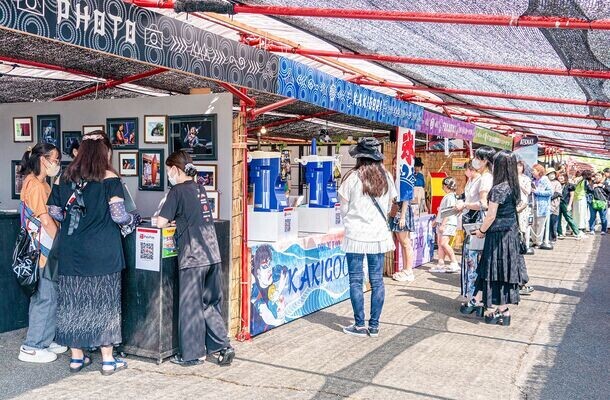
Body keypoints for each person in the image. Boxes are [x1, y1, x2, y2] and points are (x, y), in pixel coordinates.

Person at [48, 131, 139, 375]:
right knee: (104, 302)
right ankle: (108, 360)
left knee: (73, 302)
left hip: (72, 250)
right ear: (103, 153)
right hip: (102, 251)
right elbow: (119, 215)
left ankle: (77, 358)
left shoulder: (63, 177)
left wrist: (74, 220)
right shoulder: (109, 177)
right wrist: (134, 219)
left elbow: (55, 212)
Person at [156, 151, 234, 366]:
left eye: (167, 169)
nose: (167, 174)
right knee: (209, 304)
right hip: (212, 254)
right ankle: (223, 345)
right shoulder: (199, 188)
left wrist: (169, 222)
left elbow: (160, 222)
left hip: (192, 256)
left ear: (174, 169)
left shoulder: (177, 191)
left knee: (190, 306)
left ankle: (192, 355)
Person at [338, 137, 397, 338]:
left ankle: (359, 324)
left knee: (356, 280)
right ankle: (374, 325)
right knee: (377, 280)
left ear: (359, 157)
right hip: (378, 235)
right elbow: (390, 207)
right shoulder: (386, 177)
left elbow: (343, 209)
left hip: (355, 234)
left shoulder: (352, 177)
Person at [17, 143, 68, 363]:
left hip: (45, 248)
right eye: (55, 159)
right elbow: (45, 219)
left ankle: (45, 339)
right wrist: (60, 241)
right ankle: (32, 345)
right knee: (44, 296)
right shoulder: (35, 186)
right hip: (42, 249)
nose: (57, 164)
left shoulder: (41, 183)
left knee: (50, 295)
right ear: (42, 160)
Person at [472, 150, 528, 326]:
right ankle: (502, 310)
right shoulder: (513, 186)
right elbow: (520, 206)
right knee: (504, 272)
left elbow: (490, 216)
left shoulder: (498, 189)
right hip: (510, 235)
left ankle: (494, 307)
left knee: (493, 269)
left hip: (496, 236)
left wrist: (481, 231)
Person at [456, 146, 495, 313]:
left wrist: (465, 204)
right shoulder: (484, 177)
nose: (474, 161)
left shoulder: (485, 178)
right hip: (476, 223)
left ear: (484, 160)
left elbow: (483, 204)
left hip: (477, 225)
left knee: (473, 260)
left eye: (477, 158)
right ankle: (476, 298)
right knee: (474, 260)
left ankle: (475, 299)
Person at [389, 158, 415, 283]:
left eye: (396, 164)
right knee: (401, 241)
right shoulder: (396, 178)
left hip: (402, 211)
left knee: (405, 242)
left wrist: (403, 215)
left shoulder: (404, 178)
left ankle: (409, 270)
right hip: (396, 211)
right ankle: (405, 269)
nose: (394, 166)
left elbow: (406, 198)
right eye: (393, 164)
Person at [430, 177, 460, 273]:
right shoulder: (449, 196)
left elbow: (448, 212)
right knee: (440, 244)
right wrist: (436, 221)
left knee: (443, 243)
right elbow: (443, 212)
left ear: (446, 186)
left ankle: (454, 262)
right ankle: (441, 263)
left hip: (448, 223)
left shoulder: (450, 197)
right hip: (443, 222)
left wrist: (443, 224)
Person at [531, 164, 553, 250]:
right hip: (533, 205)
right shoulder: (533, 181)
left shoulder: (545, 180)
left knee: (540, 224)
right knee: (532, 223)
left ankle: (538, 242)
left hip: (542, 206)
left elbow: (550, 192)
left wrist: (537, 192)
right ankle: (533, 241)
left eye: (534, 170)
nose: (532, 172)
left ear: (539, 171)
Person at [556, 173, 584, 240]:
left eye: (562, 176)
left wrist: (569, 205)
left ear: (565, 177)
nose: (561, 178)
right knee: (558, 218)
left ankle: (577, 233)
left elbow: (572, 196)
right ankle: (560, 233)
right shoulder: (557, 184)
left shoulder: (570, 185)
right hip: (557, 203)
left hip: (565, 203)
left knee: (569, 218)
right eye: (559, 176)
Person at [516, 161, 534, 255]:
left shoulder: (526, 178)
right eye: (517, 166)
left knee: (523, 225)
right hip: (514, 203)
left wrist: (520, 185)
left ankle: (523, 245)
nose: (518, 168)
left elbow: (528, 191)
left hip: (523, 203)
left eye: (520, 166)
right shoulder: (511, 177)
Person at [548, 168, 562, 242]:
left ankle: (553, 237)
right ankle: (547, 237)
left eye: (553, 174)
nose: (552, 175)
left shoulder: (557, 183)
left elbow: (558, 193)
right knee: (547, 222)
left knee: (554, 222)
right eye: (550, 174)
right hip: (546, 205)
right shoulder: (545, 182)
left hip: (554, 205)